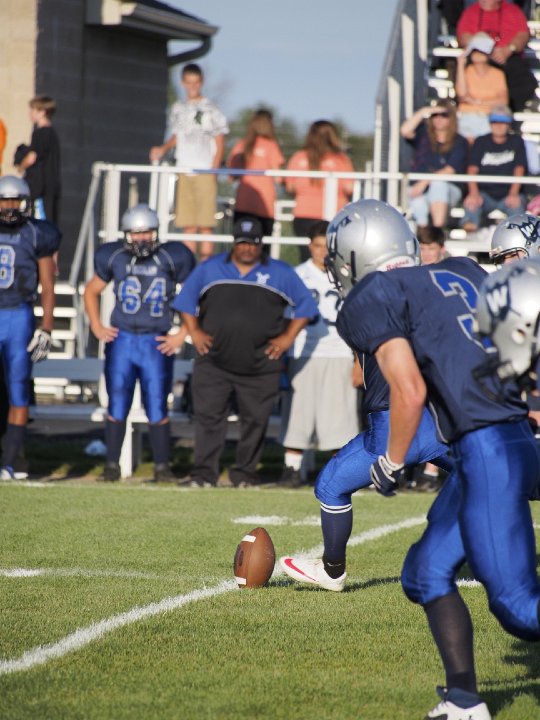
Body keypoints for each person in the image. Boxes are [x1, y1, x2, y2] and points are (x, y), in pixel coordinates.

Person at [325, 198, 540, 719]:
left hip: (487, 448)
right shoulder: (463, 270)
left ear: (354, 257)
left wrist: (391, 461)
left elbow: (410, 391)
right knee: (424, 572)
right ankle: (465, 702)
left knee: (519, 611)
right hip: (504, 440)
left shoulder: (372, 296)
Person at [279, 201, 453, 592]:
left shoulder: (365, 301)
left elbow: (403, 381)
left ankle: (332, 570)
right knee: (505, 481)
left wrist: (393, 455)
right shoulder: (444, 278)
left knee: (331, 485)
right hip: (456, 415)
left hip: (397, 423)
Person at [170, 216, 318, 488]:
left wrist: (287, 338)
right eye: (242, 243)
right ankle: (204, 475)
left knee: (255, 422)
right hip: (214, 361)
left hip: (261, 364)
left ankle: (245, 476)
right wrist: (195, 332)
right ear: (234, 243)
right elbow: (185, 302)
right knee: (209, 420)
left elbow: (306, 307)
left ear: (261, 244)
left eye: (253, 243)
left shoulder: (280, 272)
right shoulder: (210, 268)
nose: (247, 248)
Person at [83, 203, 195, 482]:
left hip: (155, 341)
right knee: (117, 402)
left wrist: (182, 333)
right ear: (126, 234)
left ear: (156, 232)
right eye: (136, 233)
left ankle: (162, 468)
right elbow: (91, 290)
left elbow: (192, 294)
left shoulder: (171, 257)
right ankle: (112, 466)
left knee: (157, 404)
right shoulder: (114, 256)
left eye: (146, 232)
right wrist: (96, 325)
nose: (142, 239)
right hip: (122, 339)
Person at [279, 221, 359, 487]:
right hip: (303, 350)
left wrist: (358, 360)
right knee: (298, 414)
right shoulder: (296, 275)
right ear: (309, 246)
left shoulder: (348, 275)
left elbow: (358, 320)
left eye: (327, 246)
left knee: (340, 419)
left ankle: (341, 475)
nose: (322, 251)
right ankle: (292, 469)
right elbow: (284, 317)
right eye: (317, 246)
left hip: (339, 351)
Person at [0, 175, 61, 479]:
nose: (10, 207)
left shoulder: (37, 234)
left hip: (18, 316)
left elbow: (48, 285)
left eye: (16, 200)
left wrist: (46, 327)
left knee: (18, 389)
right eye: (5, 200)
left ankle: (11, 462)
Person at [149, 63, 229, 262]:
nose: (193, 86)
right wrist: (163, 148)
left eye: (196, 82)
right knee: (188, 224)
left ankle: (206, 265)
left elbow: (220, 141)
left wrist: (213, 170)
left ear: (201, 82)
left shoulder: (211, 109)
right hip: (184, 169)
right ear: (183, 83)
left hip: (205, 170)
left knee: (206, 225)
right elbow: (177, 135)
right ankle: (189, 266)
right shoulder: (178, 108)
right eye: (189, 82)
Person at [286, 120, 354, 261]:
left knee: (307, 259)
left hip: (304, 214)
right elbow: (350, 187)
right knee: (336, 258)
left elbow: (290, 187)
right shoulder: (341, 159)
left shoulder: (299, 157)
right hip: (336, 216)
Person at [456, 0, 537, 112]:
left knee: (525, 80)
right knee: (464, 69)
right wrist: (483, 48)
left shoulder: (513, 11)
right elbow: (463, 37)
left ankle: (509, 110)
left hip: (507, 57)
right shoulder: (471, 12)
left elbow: (522, 35)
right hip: (480, 55)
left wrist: (509, 49)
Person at [400, 100, 468, 229]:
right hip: (419, 190)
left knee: (438, 184)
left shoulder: (460, 141)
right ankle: (423, 235)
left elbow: (450, 170)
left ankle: (437, 231)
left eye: (444, 115)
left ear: (451, 118)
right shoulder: (423, 135)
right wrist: (423, 112)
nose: (438, 119)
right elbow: (405, 130)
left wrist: (424, 182)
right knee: (418, 203)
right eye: (435, 115)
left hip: (448, 190)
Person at [460, 104, 527, 232]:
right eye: (495, 121)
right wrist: (473, 193)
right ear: (490, 123)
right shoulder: (481, 141)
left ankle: (516, 240)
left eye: (503, 121)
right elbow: (472, 169)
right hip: (484, 193)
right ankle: (471, 236)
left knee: (518, 218)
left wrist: (513, 193)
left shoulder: (517, 141)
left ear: (509, 124)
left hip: (509, 193)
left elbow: (519, 169)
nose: (498, 125)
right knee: (471, 205)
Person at [226, 109, 284, 238]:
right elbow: (279, 178)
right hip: (265, 205)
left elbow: (231, 177)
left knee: (241, 242)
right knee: (263, 245)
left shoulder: (241, 145)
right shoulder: (271, 145)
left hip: (243, 202)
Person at [455, 33, 509, 142]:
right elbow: (461, 94)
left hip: (488, 118)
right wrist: (460, 64)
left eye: (481, 51)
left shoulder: (497, 74)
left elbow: (503, 101)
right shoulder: (466, 72)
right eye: (474, 50)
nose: (477, 54)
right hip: (466, 116)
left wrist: (475, 101)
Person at [17, 96, 61, 225]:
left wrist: (21, 167)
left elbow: (32, 158)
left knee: (40, 223)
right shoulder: (53, 134)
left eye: (33, 110)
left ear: (42, 112)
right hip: (49, 187)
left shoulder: (40, 133)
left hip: (41, 189)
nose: (30, 114)